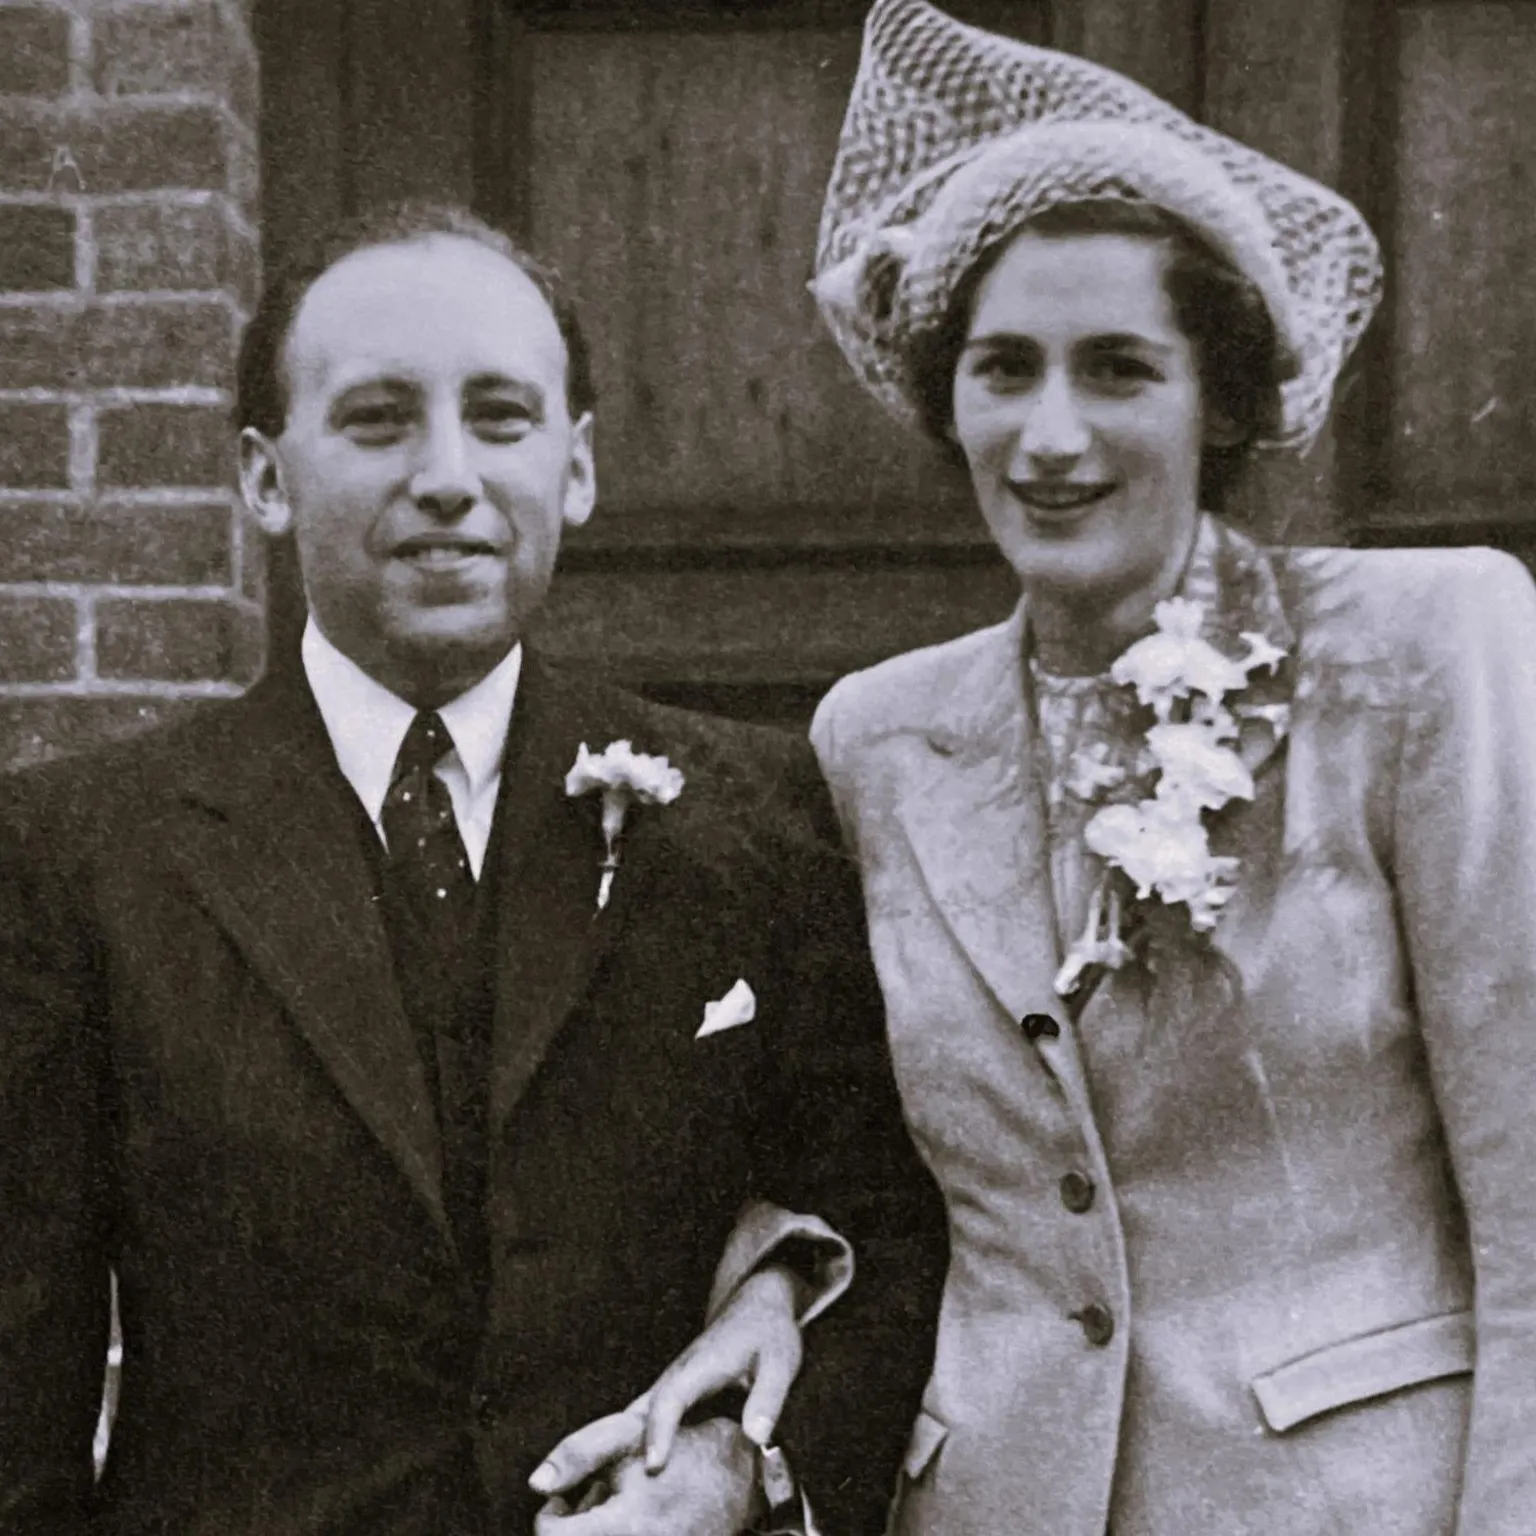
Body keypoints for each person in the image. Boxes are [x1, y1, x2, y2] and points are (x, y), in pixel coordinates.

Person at [544, 2, 1536, 1531]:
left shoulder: (1424, 651)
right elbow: (860, 1168)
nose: (1051, 435)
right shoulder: (874, 737)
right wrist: (766, 1305)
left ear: (1221, 403)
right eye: (1004, 369)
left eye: (1119, 369)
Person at [0, 201, 949, 1535]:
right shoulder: (81, 855)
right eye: (379, 419)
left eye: (499, 417)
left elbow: (888, 1234)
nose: (447, 474)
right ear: (266, 479)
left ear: (575, 468)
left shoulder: (749, 813)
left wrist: (744, 1471)